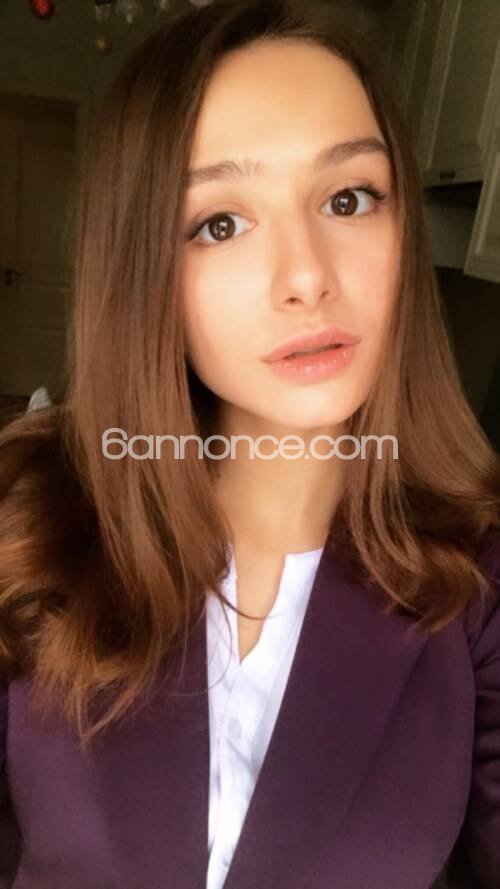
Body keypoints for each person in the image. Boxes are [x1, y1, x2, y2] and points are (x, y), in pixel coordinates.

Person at [0, 1, 499, 887]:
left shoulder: (479, 578)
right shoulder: (31, 519)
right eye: (221, 223)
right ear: (143, 266)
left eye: (348, 199)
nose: (306, 276)